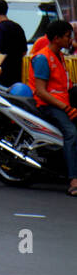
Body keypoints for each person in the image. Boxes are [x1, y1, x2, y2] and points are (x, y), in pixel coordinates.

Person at [27, 19, 77, 197]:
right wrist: (65, 107)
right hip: (49, 106)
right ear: (56, 38)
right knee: (71, 133)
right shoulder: (42, 58)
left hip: (63, 102)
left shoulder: (60, 56)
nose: (70, 40)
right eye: (67, 37)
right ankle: (73, 180)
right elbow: (41, 92)